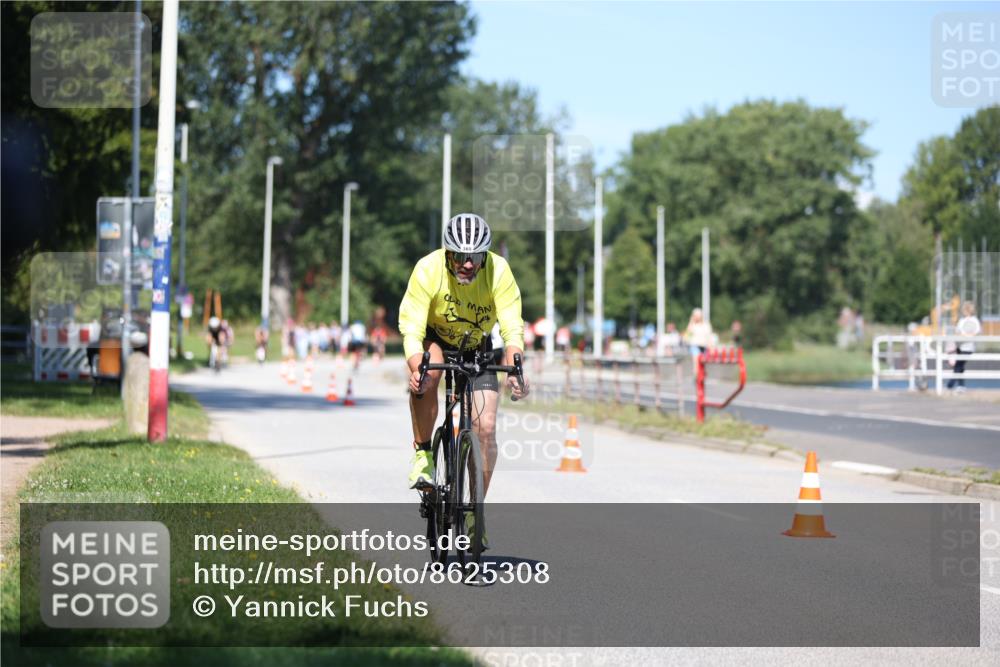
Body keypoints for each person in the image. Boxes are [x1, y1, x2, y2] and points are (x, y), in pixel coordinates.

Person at [399, 213, 529, 514]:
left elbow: (512, 328)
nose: (467, 263)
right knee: (427, 373)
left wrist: (517, 370)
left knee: (486, 426)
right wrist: (416, 366)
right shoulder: (428, 269)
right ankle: (423, 454)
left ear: (485, 255)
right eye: (459, 255)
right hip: (435, 340)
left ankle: (475, 510)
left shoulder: (499, 271)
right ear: (448, 254)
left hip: (476, 345)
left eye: (475, 256)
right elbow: (412, 329)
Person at [947, 301, 981, 393]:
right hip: (960, 346)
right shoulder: (963, 321)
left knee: (958, 365)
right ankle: (960, 385)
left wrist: (965, 335)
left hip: (968, 347)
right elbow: (958, 332)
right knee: (960, 366)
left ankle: (951, 383)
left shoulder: (973, 321)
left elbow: (976, 332)